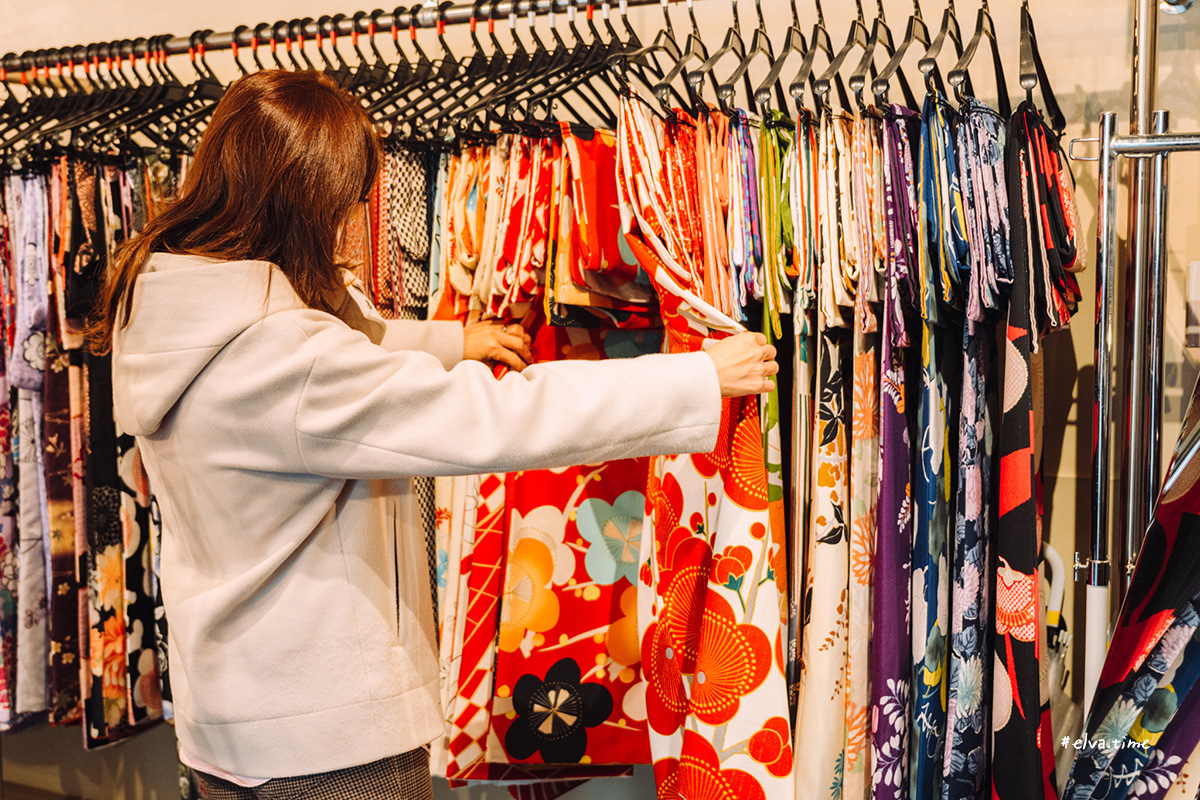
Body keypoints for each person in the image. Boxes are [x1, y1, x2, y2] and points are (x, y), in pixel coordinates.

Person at [90, 69, 778, 800]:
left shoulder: (173, 309)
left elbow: (341, 341)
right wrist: (695, 379)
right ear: (306, 204)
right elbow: (496, 418)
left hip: (232, 712)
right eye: (348, 204)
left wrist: (451, 340)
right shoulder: (284, 363)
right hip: (323, 734)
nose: (352, 222)